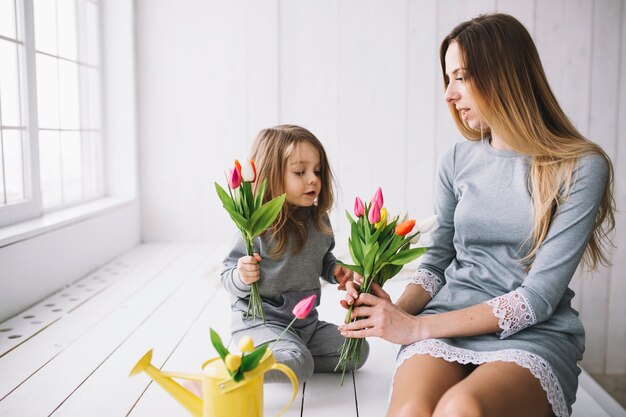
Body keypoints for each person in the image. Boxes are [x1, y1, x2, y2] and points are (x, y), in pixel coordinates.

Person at [339, 13, 615, 417]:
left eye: (461, 77)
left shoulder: (580, 166)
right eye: (447, 79)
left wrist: (415, 328)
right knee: (412, 410)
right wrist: (392, 309)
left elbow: (536, 299)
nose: (449, 94)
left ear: (503, 75)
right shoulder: (456, 159)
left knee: (462, 408)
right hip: (442, 321)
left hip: (532, 334)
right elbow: (437, 262)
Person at [221, 124, 369, 383]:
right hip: (260, 322)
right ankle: (234, 373)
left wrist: (334, 271)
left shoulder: (317, 219)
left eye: (317, 171)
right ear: (272, 176)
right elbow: (227, 275)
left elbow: (322, 258)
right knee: (299, 363)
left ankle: (288, 354)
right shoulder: (256, 226)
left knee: (356, 351)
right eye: (300, 172)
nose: (313, 178)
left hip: (304, 325)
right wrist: (242, 276)